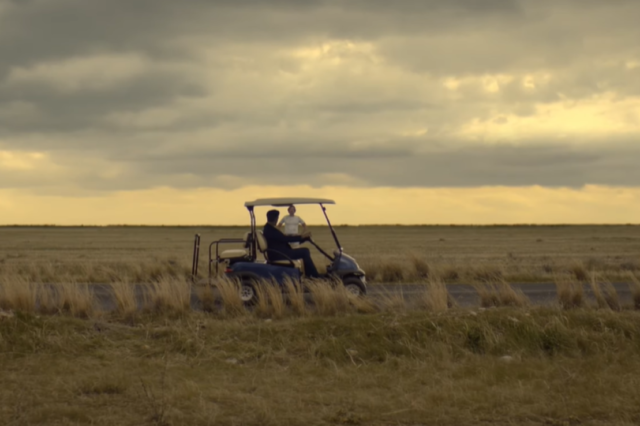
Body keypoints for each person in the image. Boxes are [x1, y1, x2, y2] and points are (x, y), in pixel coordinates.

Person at [263, 209, 320, 279]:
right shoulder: (270, 230)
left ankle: (310, 275)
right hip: (280, 254)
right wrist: (301, 237)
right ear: (276, 218)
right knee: (305, 252)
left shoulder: (269, 229)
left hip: (280, 252)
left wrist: (303, 239)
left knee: (305, 251)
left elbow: (284, 239)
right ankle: (314, 276)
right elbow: (285, 239)